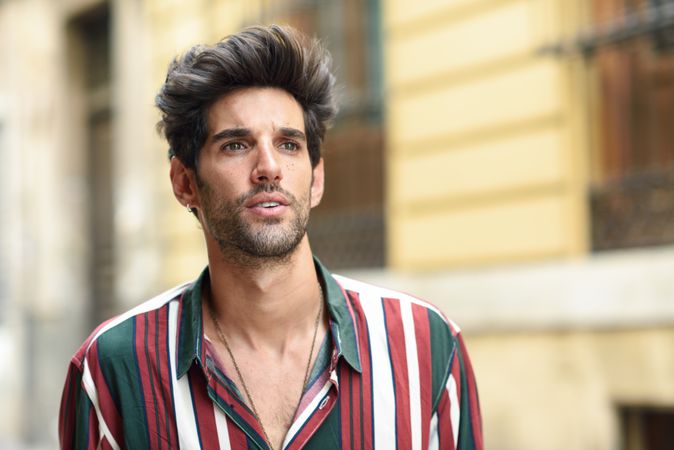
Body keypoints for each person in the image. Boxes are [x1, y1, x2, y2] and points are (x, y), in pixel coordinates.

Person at [58, 24, 483, 450]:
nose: (269, 167)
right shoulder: (113, 370)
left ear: (316, 179)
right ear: (184, 182)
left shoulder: (424, 346)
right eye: (236, 145)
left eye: (289, 144)